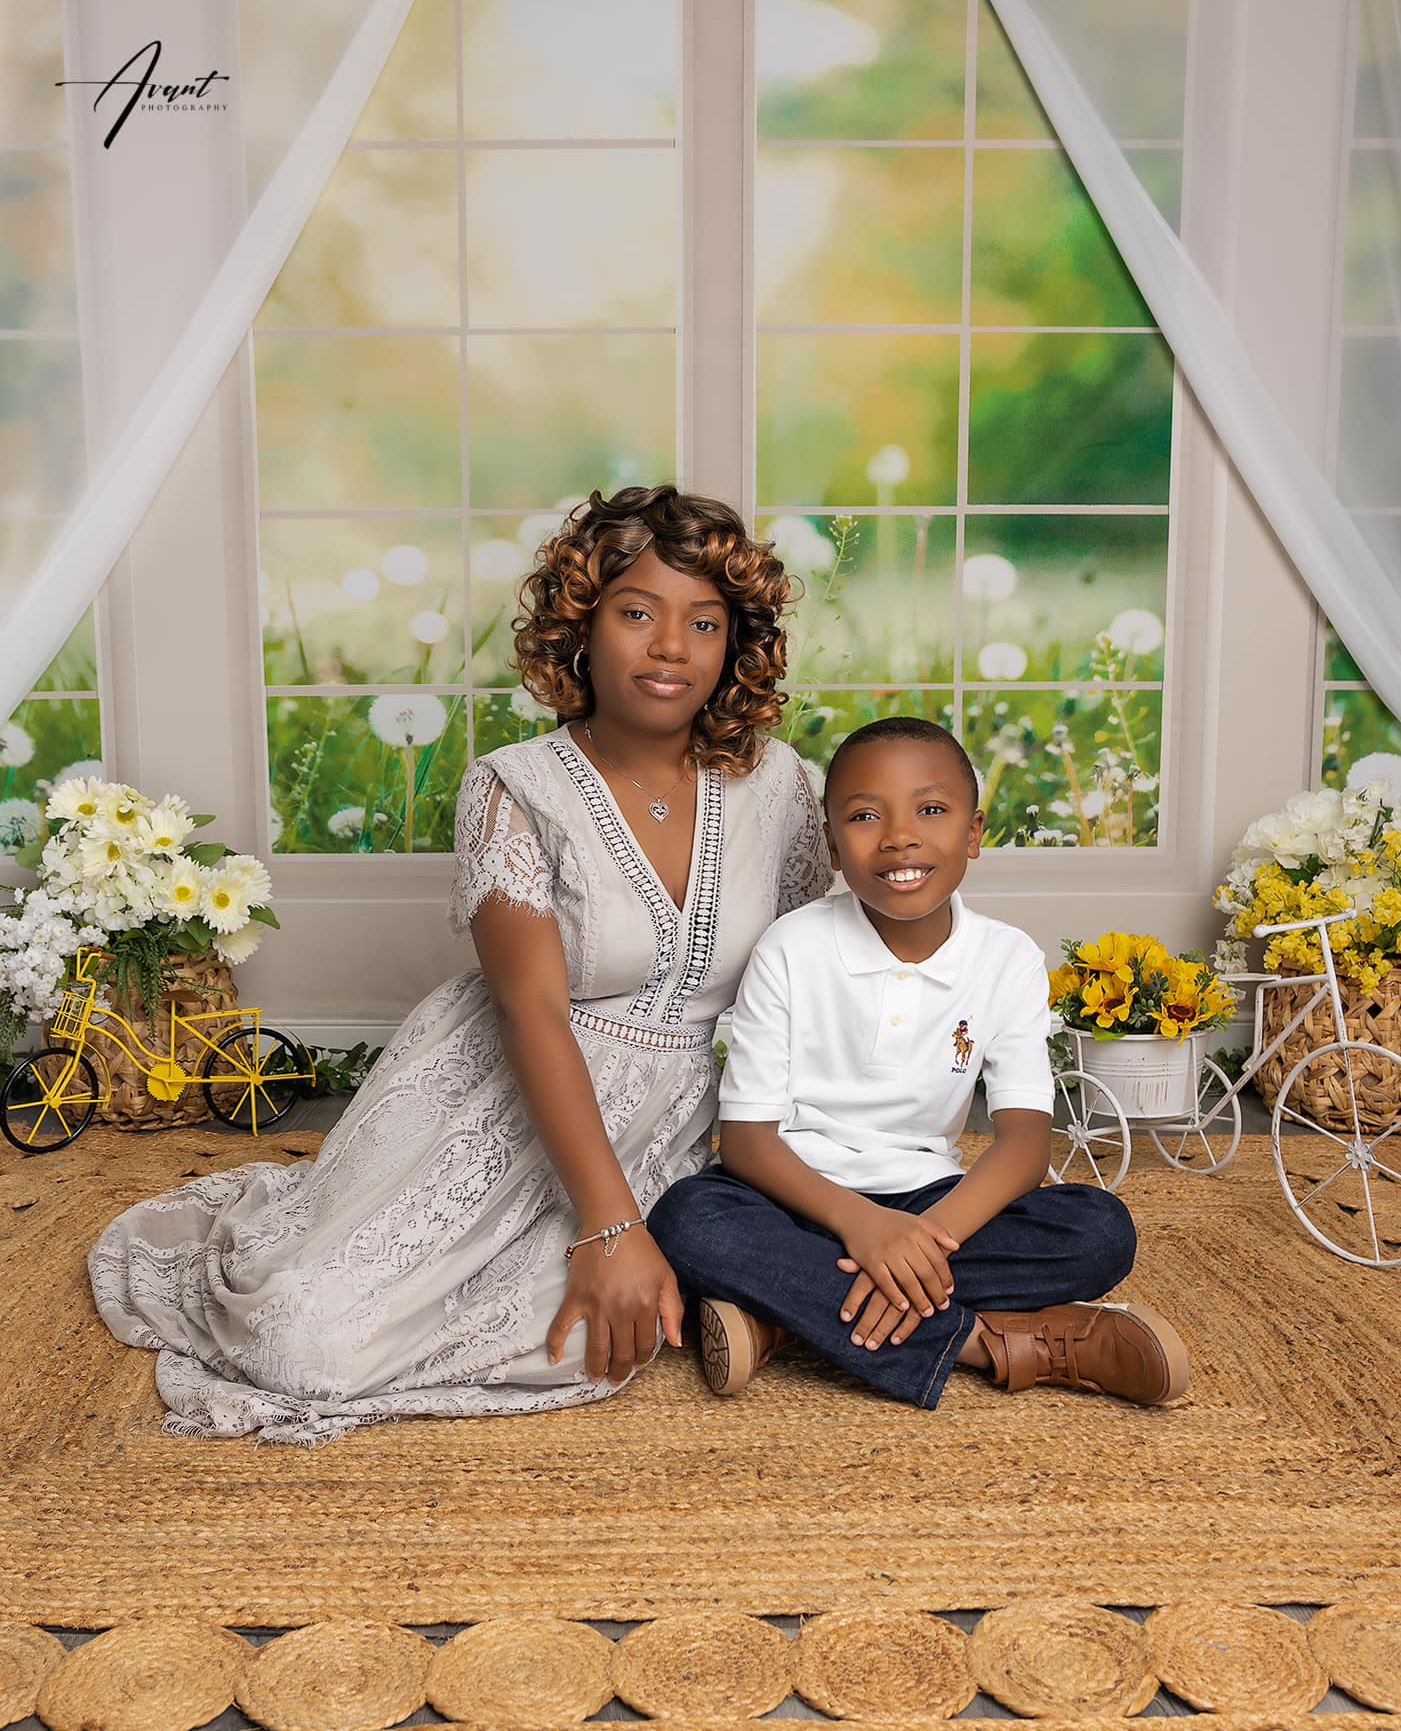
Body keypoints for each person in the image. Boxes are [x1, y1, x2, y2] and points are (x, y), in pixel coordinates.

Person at [88, 485, 832, 1445]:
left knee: (594, 1337)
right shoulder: (511, 785)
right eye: (636, 612)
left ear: (737, 641)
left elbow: (818, 972)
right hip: (506, 1095)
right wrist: (608, 1225)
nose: (669, 647)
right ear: (581, 623)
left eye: (703, 621)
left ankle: (736, 1301)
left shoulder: (783, 785)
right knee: (300, 1344)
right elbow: (530, 1011)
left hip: (693, 1119)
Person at [649, 716, 1189, 1409]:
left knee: (1098, 1230)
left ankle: (782, 1318)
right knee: (689, 1218)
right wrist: (862, 1228)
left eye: (930, 810)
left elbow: (1024, 1144)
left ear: (973, 831)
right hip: (793, 1198)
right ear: (834, 845)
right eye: (865, 815)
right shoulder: (791, 948)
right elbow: (749, 1143)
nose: (900, 835)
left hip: (934, 1207)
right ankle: (988, 1344)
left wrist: (923, 1242)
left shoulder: (1006, 957)